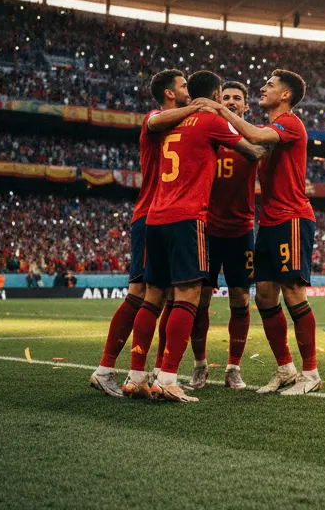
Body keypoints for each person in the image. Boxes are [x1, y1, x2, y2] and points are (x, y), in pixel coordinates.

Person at [90, 69, 215, 397]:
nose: (189, 91)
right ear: (169, 93)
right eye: (184, 86)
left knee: (158, 296)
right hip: (152, 214)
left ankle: (143, 374)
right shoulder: (156, 118)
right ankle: (109, 369)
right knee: (143, 295)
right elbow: (155, 122)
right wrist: (200, 107)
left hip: (158, 216)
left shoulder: (180, 124)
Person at [125, 70, 242, 403]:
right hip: (188, 218)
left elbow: (155, 124)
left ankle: (136, 376)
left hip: (155, 217)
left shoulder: (169, 123)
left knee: (152, 297)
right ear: (216, 95)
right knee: (188, 297)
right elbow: (252, 149)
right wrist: (222, 113)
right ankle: (168, 378)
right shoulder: (208, 120)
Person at [220, 69, 321, 396]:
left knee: (293, 293)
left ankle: (311, 373)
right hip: (269, 222)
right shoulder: (269, 129)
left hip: (292, 218)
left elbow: (254, 135)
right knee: (264, 295)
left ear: (285, 95)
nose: (263, 88)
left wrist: (220, 108)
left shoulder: (289, 123)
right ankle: (285, 368)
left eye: (270, 85)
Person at [190, 80, 267, 391]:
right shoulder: (209, 133)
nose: (232, 101)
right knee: (200, 300)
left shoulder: (253, 135)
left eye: (237, 98)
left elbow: (263, 151)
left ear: (246, 105)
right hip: (207, 230)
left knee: (240, 299)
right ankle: (200, 366)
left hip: (241, 231)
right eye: (226, 97)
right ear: (217, 100)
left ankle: (233, 368)